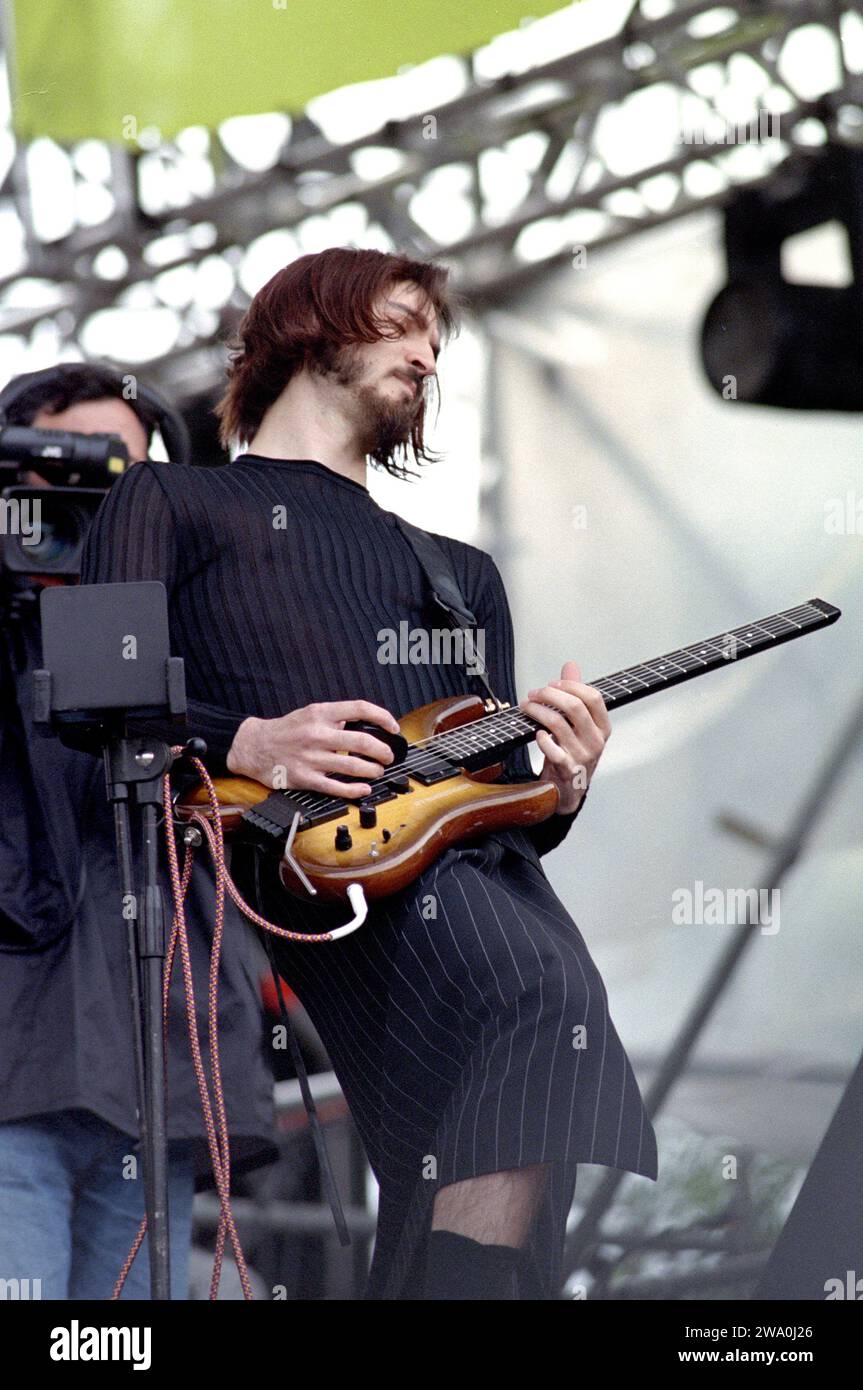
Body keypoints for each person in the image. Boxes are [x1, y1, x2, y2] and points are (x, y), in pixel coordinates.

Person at [81, 248, 658, 1301]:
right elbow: (88, 689)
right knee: (538, 996)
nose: (426, 353)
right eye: (402, 323)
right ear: (311, 323)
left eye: (436, 339)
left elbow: (493, 793)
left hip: (485, 881)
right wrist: (244, 739)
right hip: (317, 868)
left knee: (462, 1152)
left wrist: (563, 784)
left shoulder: (459, 573)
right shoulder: (169, 500)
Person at [0, 364, 275, 1301]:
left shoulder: (185, 617)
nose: (106, 492)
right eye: (76, 462)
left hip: (149, 1064)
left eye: (132, 472)